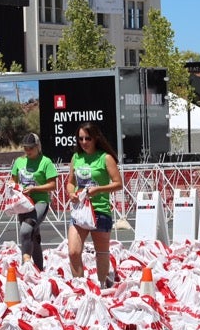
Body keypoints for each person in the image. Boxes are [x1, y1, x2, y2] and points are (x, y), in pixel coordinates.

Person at [66, 122, 122, 289]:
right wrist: (71, 193)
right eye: (80, 138)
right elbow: (70, 182)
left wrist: (98, 189)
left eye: (87, 138)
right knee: (73, 252)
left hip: (100, 210)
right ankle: (80, 287)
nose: (83, 142)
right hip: (80, 212)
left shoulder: (105, 157)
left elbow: (118, 184)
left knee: (101, 253)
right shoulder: (76, 158)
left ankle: (103, 286)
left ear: (95, 138)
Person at [9, 132, 58, 271]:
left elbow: (53, 185)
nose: (28, 151)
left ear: (38, 147)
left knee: (25, 231)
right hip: (23, 203)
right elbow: (13, 180)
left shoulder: (46, 162)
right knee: (33, 236)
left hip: (40, 202)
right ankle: (39, 269)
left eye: (31, 148)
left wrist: (34, 188)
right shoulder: (19, 161)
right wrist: (12, 186)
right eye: (25, 148)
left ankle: (26, 267)